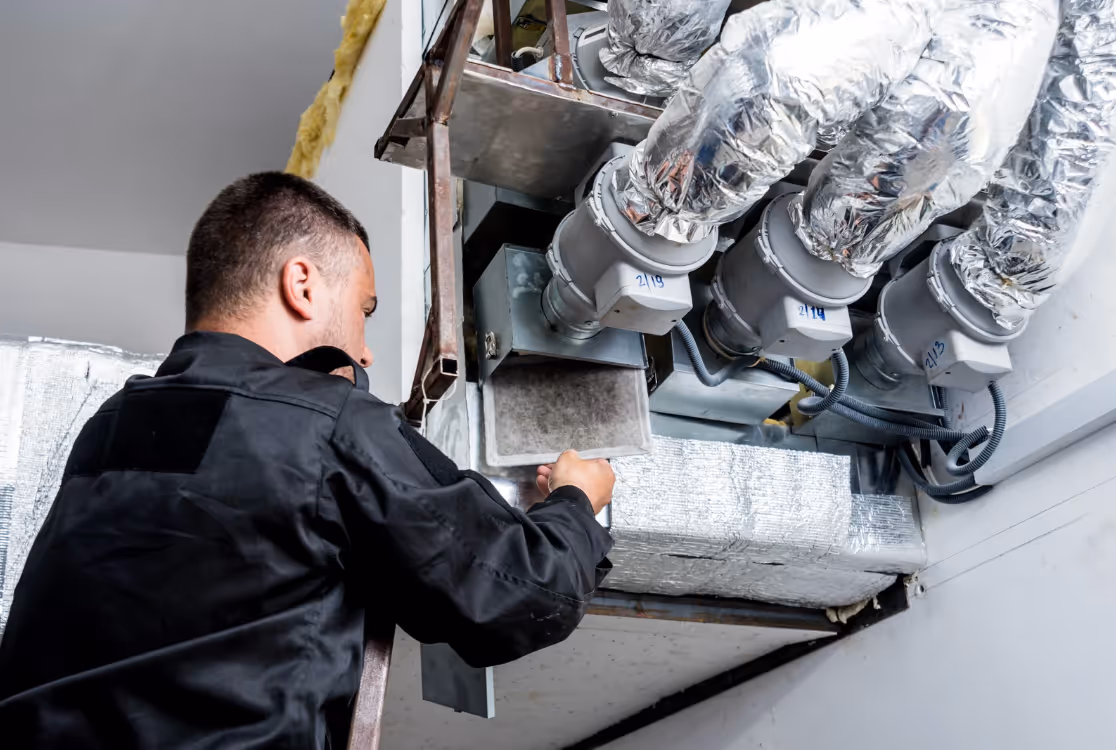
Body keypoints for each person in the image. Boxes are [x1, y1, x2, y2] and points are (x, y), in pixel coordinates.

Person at [0, 172, 616, 748]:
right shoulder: (322, 420)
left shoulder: (108, 427)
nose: (367, 351)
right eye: (363, 310)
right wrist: (577, 503)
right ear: (302, 285)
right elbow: (519, 591)